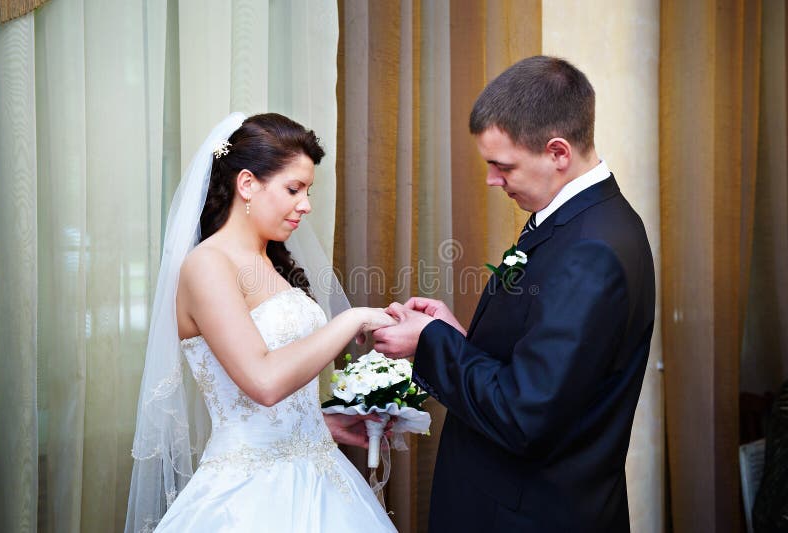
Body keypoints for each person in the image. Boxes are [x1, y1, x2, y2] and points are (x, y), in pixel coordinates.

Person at [373, 55, 656, 532]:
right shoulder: (575, 219)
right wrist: (456, 335)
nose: (491, 180)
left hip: (530, 514)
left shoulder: (592, 250)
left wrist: (430, 343)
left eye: (503, 166)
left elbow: (526, 415)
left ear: (558, 152)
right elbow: (540, 366)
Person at [125, 112, 398, 533]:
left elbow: (276, 396)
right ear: (248, 184)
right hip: (250, 496)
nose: (306, 204)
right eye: (294, 189)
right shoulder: (207, 266)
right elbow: (264, 381)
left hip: (319, 476)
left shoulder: (271, 263)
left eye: (308, 190)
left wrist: (321, 423)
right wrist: (354, 319)